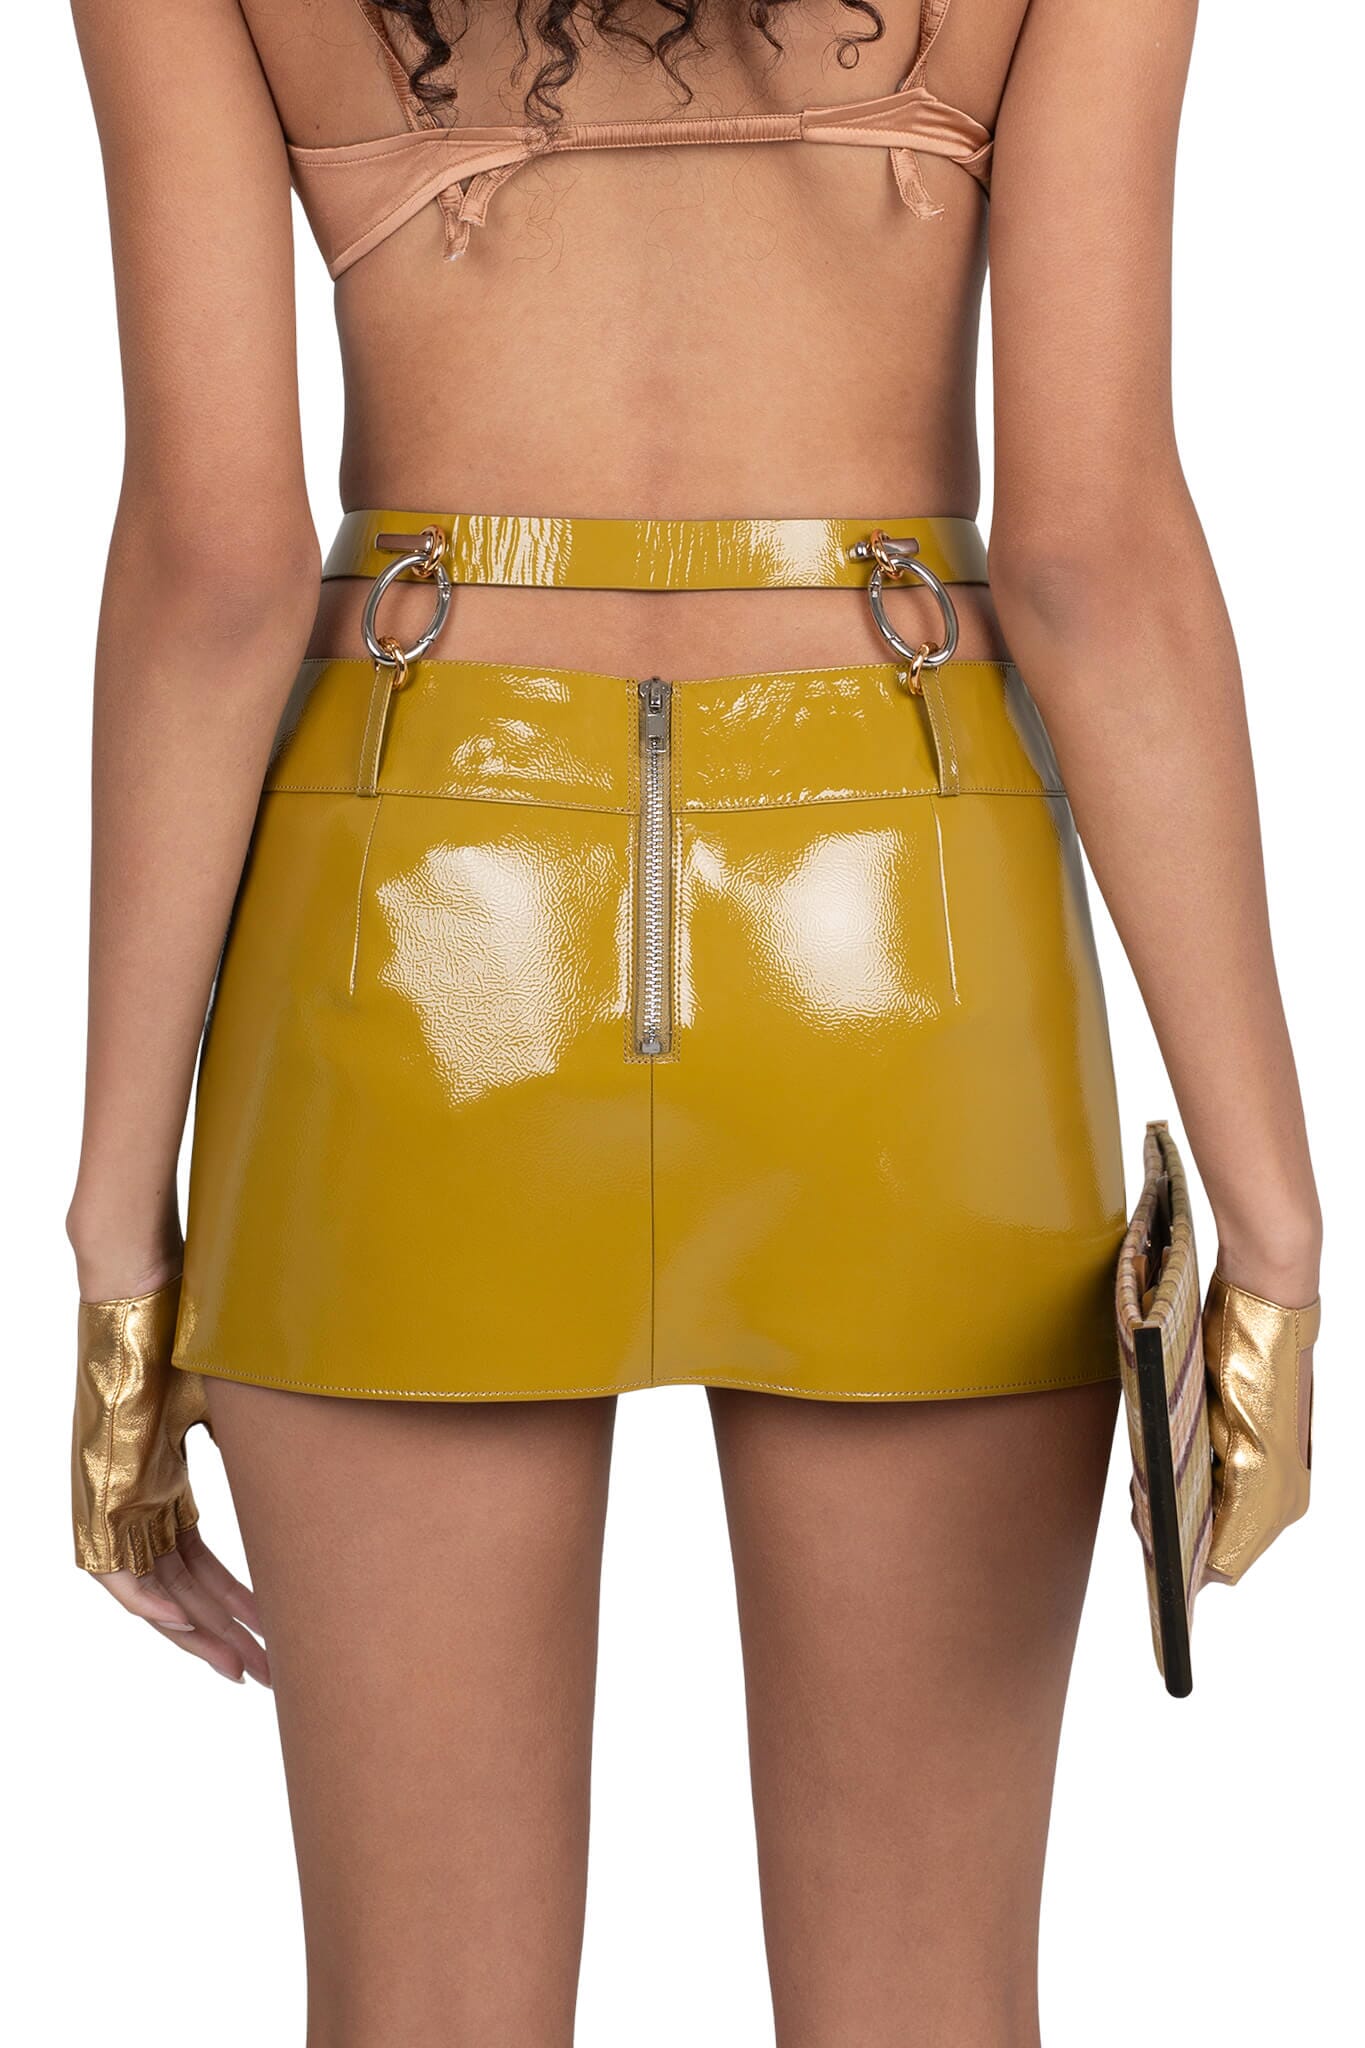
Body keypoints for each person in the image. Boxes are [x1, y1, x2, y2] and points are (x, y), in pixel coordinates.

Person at [66, 2, 1321, 2042]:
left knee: (419, 2013)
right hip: (901, 935)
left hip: (414, 930)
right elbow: (1090, 558)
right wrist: (1269, 1227)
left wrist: (122, 1247)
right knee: (926, 2000)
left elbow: (212, 573)